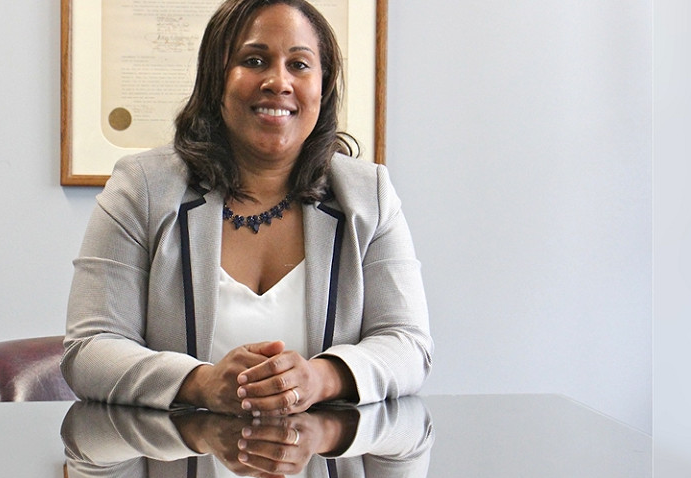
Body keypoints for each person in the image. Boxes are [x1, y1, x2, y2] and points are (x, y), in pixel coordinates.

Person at [62, 0, 432, 418]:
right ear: (215, 79)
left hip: (321, 463)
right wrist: (200, 383)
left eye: (299, 65)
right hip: (179, 465)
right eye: (254, 60)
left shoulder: (369, 195)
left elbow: (407, 343)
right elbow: (89, 349)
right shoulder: (142, 189)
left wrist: (320, 377)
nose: (278, 81)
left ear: (323, 85)